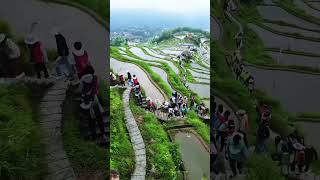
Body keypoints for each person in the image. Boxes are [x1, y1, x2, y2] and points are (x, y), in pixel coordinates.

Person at [79, 65, 105, 140]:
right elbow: (97, 87)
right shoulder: (95, 77)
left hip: (86, 101)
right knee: (99, 117)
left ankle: (94, 136)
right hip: (94, 99)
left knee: (91, 119)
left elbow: (80, 89)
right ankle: (103, 135)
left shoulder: (82, 79)